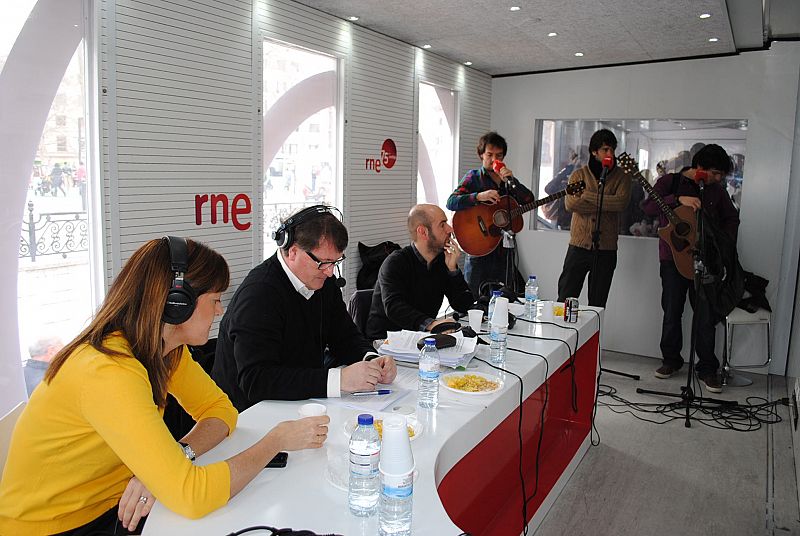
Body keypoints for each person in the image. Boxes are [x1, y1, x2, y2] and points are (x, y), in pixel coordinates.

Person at [0, 237, 329, 535]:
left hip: (116, 506)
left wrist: (172, 461)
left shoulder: (164, 350)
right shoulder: (108, 371)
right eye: (215, 299)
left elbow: (221, 411)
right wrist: (274, 441)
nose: (220, 310)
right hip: (56, 526)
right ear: (177, 303)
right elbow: (192, 496)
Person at [212, 205, 397, 410]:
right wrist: (339, 380)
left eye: (335, 262)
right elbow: (256, 380)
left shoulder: (323, 280)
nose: (329, 272)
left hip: (302, 401)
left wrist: (371, 360)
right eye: (323, 262)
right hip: (249, 413)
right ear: (293, 252)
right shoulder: (259, 294)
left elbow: (344, 336)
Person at [643, 144, 739, 393]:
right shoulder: (670, 182)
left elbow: (731, 218)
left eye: (721, 175)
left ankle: (707, 368)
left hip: (705, 260)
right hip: (672, 259)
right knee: (672, 310)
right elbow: (649, 207)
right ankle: (670, 360)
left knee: (705, 315)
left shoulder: (716, 191)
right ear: (700, 168)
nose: (718, 179)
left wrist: (722, 243)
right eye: (715, 173)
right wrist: (677, 199)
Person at [446, 131, 535, 298]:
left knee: (505, 298)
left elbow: (529, 200)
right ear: (481, 155)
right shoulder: (473, 177)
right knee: (473, 297)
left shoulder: (508, 182)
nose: (494, 159)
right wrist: (479, 197)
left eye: (499, 156)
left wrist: (512, 181)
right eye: (489, 155)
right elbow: (451, 202)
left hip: (503, 251)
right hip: (478, 248)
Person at [365, 204, 474, 340]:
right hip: (386, 340)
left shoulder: (442, 261)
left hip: (422, 337)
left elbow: (464, 305)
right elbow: (394, 308)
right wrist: (432, 324)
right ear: (423, 232)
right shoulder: (395, 262)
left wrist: (453, 271)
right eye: (442, 225)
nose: (450, 229)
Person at [556, 129, 631, 307]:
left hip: (606, 249)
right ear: (594, 152)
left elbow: (620, 203)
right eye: (605, 149)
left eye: (612, 149)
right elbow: (571, 204)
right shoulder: (578, 175)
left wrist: (585, 195)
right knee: (565, 298)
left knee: (597, 304)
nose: (610, 153)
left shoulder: (622, 177)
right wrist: (606, 203)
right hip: (578, 247)